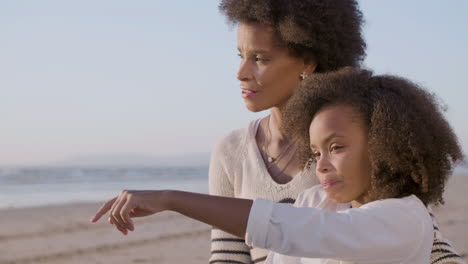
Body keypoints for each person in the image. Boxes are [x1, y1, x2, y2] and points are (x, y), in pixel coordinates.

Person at [91, 69, 466, 264]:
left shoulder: (402, 219)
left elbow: (293, 228)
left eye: (336, 148)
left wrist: (171, 198)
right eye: (315, 152)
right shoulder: (317, 202)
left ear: (387, 145)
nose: (321, 165)